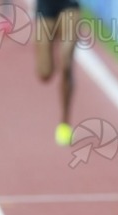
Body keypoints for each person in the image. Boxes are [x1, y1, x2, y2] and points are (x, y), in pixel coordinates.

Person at [34, 0, 80, 146]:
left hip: (70, 5)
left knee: (66, 62)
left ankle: (65, 123)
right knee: (45, 73)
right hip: (45, 6)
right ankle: (51, 43)